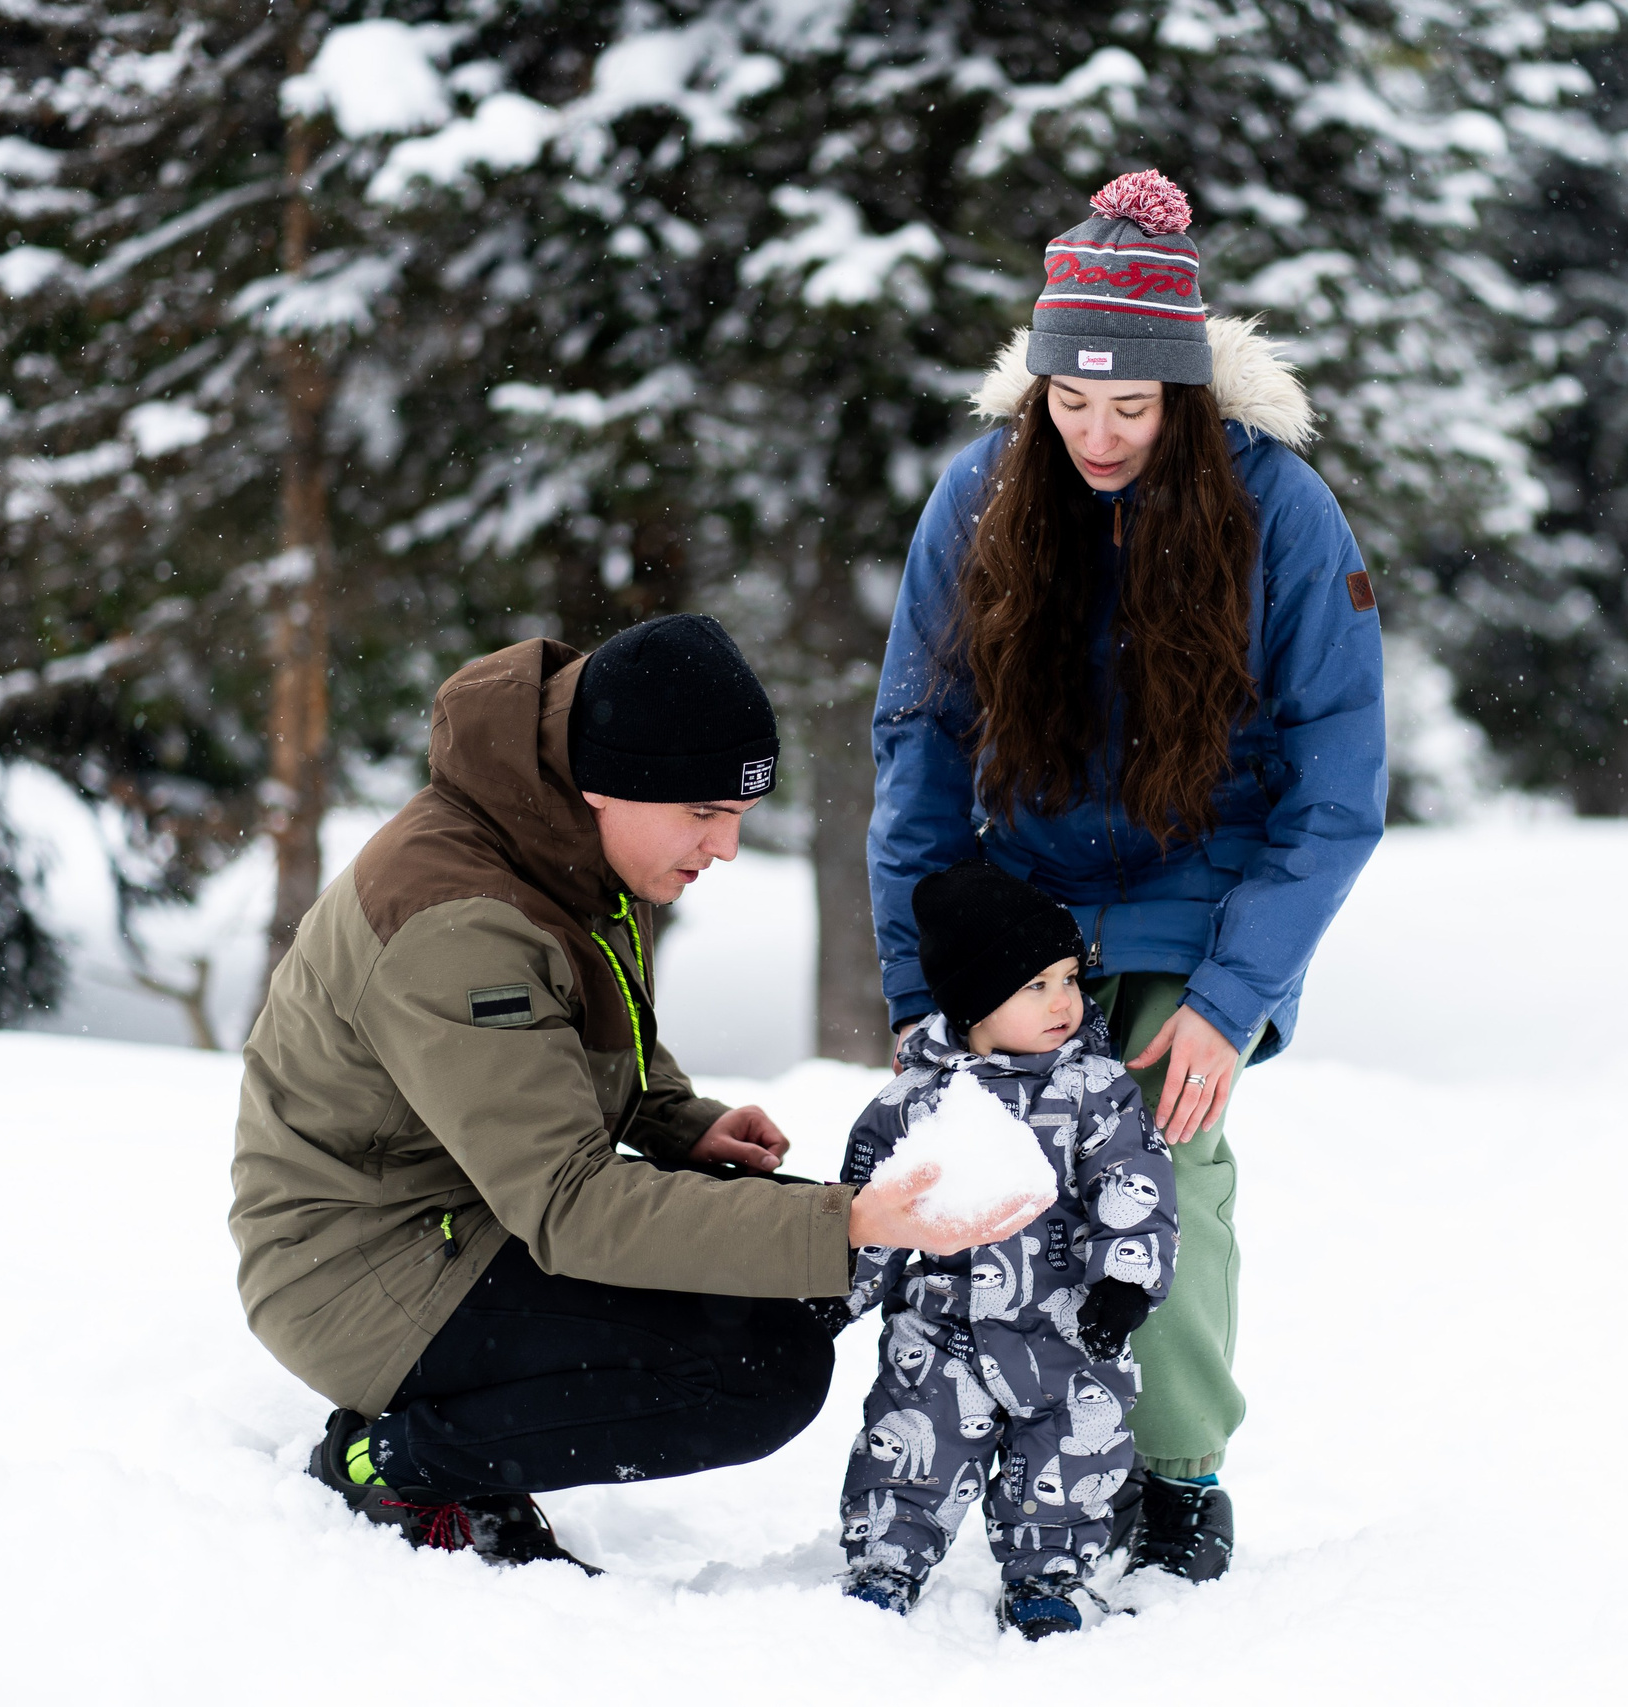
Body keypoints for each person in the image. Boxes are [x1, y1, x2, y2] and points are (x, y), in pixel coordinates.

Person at [232, 614, 1036, 1571]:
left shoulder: (555, 830)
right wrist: (848, 1220)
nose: (727, 846)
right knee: (757, 1372)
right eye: (704, 814)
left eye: (739, 814)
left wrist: (674, 1121)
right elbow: (569, 1206)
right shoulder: (459, 925)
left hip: (470, 1207)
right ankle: (396, 1460)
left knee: (806, 1280)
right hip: (359, 1264)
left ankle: (458, 1422)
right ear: (608, 786)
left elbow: (574, 1028)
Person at [868, 171, 1388, 1577]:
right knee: (1001, 1154)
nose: (1098, 434)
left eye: (1133, 407)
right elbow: (919, 744)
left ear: (1187, 398)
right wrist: (924, 985)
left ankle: (1172, 1466)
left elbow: (1340, 782)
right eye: (1071, 403)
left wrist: (1229, 995)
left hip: (1195, 887)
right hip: (1024, 884)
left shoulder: (1281, 512)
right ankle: (1013, 1441)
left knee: (1161, 1145)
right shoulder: (979, 497)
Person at [832, 859, 1178, 1639]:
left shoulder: (1099, 1091)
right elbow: (873, 1209)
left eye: (1068, 978)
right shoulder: (912, 1101)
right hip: (944, 1329)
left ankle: (1050, 1576)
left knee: (1070, 1463)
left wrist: (1122, 1286)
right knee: (910, 1446)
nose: (1065, 1000)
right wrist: (838, 1290)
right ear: (975, 1001)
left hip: (1067, 1327)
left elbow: (1137, 1189)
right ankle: (885, 1561)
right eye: (1036, 986)